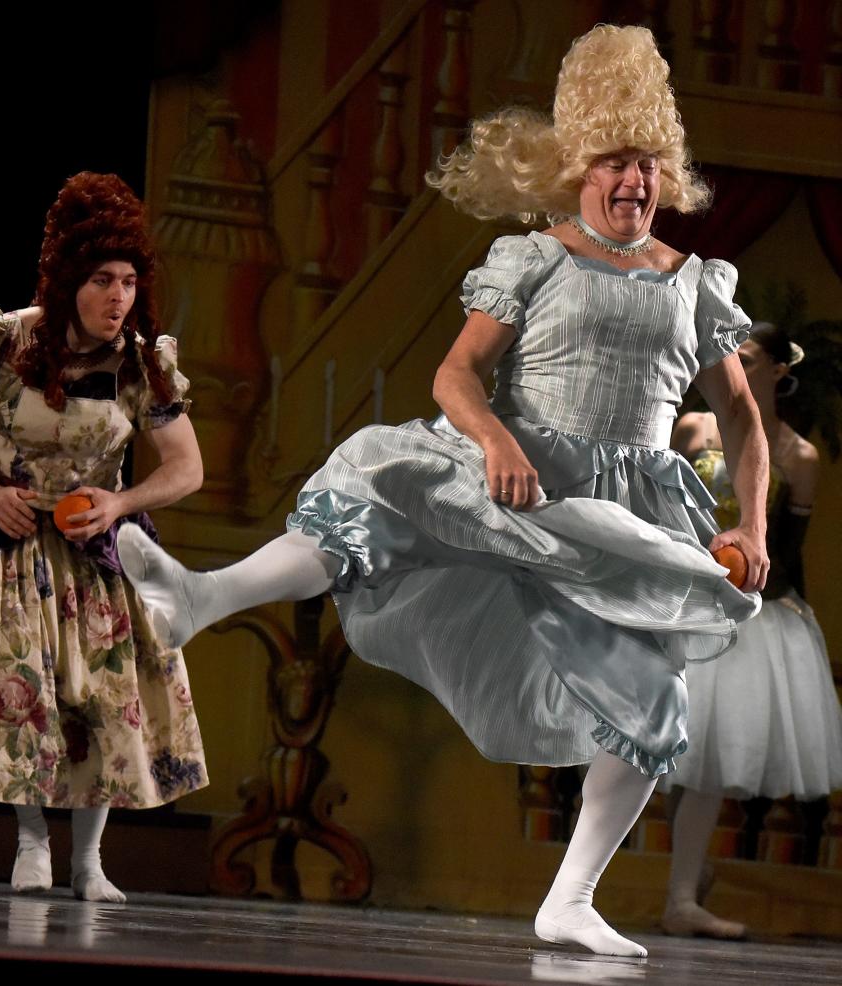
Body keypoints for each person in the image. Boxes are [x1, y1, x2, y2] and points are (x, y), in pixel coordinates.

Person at [118, 25, 766, 955]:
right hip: (520, 474)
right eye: (616, 163)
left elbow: (741, 418)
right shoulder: (535, 257)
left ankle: (571, 900)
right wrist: (497, 438)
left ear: (668, 174)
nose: (634, 182)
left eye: (649, 165)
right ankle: (199, 597)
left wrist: (751, 519)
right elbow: (456, 378)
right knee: (380, 489)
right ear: (578, 167)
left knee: (655, 703)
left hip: (627, 513)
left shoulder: (695, 283)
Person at [0, 172, 208, 903]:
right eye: (103, 281)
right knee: (26, 692)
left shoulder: (140, 362)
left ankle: (89, 861)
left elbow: (187, 468)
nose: (119, 298)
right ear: (68, 278)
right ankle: (31, 843)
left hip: (92, 550)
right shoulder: (2, 338)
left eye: (130, 281)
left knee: (105, 700)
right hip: (11, 547)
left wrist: (121, 502)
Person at [661, 323, 842, 938]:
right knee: (660, 749)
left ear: (776, 370)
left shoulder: (798, 457)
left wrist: (773, 604)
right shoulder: (696, 431)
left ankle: (682, 896)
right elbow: (659, 511)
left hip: (747, 613)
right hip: (681, 599)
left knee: (710, 755)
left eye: (745, 357)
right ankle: (684, 881)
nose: (731, 364)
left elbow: (789, 551)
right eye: (727, 355)